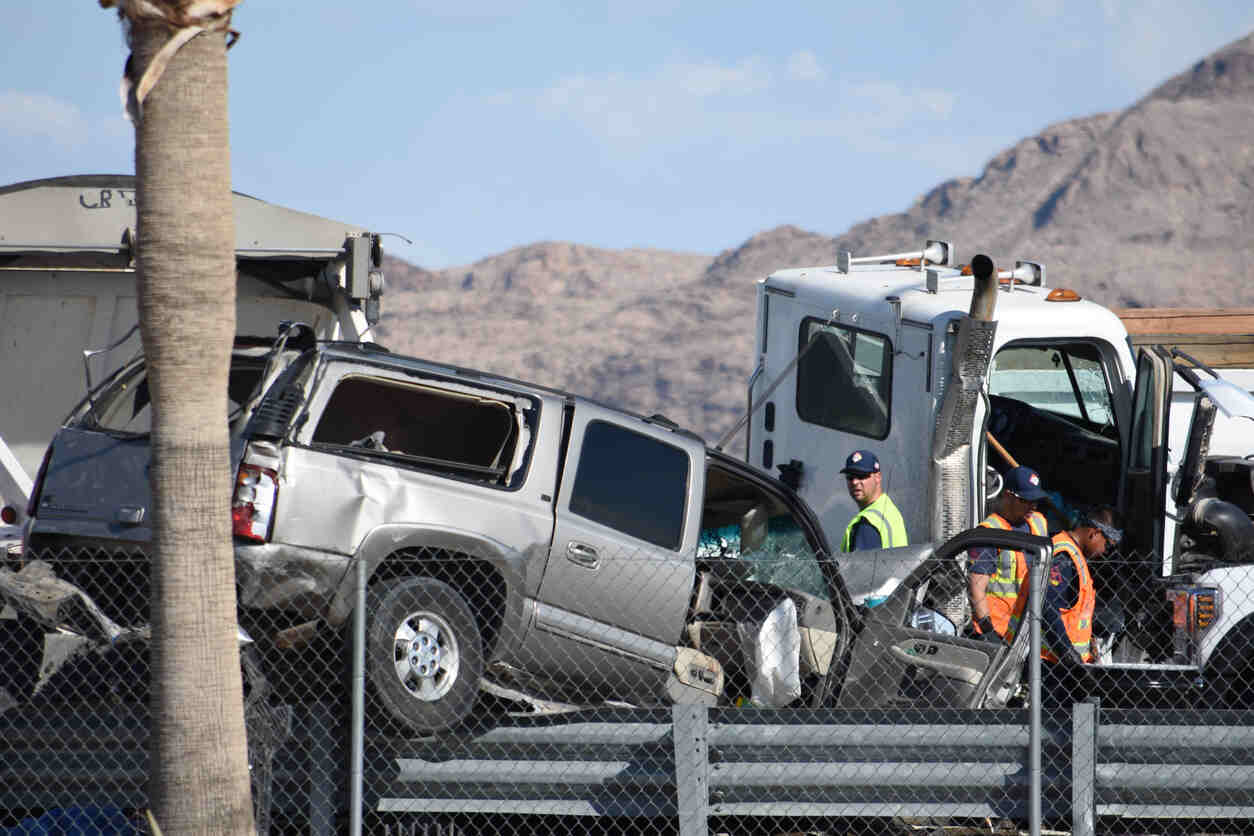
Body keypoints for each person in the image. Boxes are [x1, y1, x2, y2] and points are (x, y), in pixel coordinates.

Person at [1041, 506, 1122, 705]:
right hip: (1053, 666)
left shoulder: (1075, 556)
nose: (1105, 552)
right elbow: (1047, 607)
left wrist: (1088, 643)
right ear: (1094, 533)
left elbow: (1073, 613)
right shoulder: (1064, 557)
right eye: (1107, 545)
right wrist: (1069, 654)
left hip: (1064, 666)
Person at [968, 466, 1050, 643]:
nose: (1032, 506)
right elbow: (977, 587)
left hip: (1031, 630)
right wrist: (987, 630)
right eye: (1026, 500)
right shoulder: (989, 531)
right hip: (998, 632)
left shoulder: (1038, 522)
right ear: (1007, 495)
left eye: (1035, 501)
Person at [839, 450, 907, 552]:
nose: (855, 482)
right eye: (850, 477)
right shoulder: (888, 510)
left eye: (862, 476)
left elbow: (862, 567)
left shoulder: (867, 523)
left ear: (878, 477)